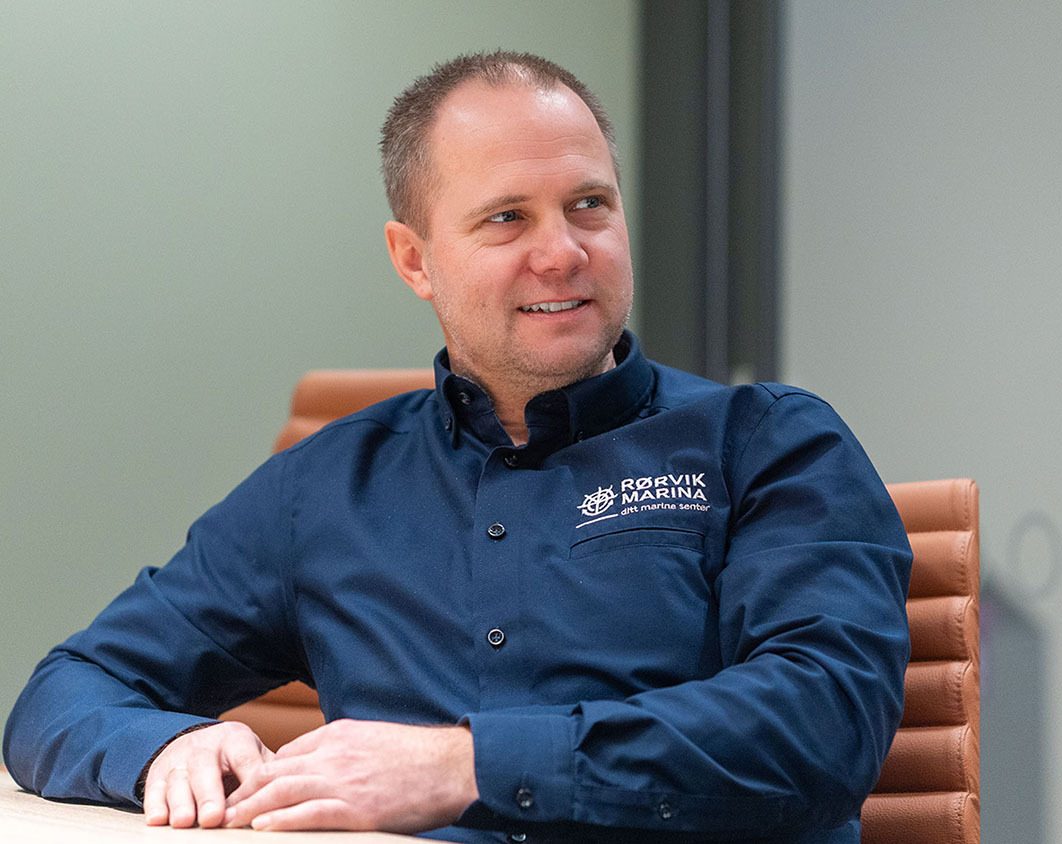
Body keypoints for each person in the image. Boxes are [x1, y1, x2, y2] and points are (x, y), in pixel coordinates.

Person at [3, 51, 911, 843]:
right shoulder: (325, 486)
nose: (562, 253)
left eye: (588, 204)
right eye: (507, 218)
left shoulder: (767, 442)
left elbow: (821, 724)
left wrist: (465, 766)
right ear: (415, 259)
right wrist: (164, 744)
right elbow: (65, 692)